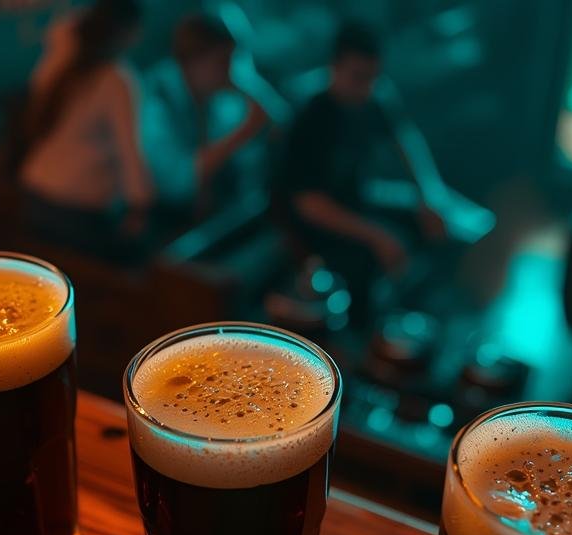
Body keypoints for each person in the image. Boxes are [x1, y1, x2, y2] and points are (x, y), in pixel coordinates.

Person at [273, 22, 450, 322]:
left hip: (357, 200)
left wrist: (429, 196)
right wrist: (377, 236)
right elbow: (308, 205)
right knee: (368, 258)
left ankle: (411, 317)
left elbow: (405, 140)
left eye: (373, 77)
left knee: (429, 224)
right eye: (358, 77)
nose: (367, 88)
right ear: (334, 66)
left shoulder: (375, 96)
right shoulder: (309, 118)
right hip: (315, 226)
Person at [18, 0, 153, 262]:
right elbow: (131, 155)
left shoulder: (58, 62)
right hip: (76, 211)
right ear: (130, 32)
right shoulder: (116, 80)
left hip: (34, 198)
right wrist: (140, 208)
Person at [140, 12, 280, 217]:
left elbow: (246, 159)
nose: (230, 71)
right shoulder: (153, 105)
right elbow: (178, 182)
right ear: (193, 61)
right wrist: (247, 130)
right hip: (161, 223)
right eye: (223, 61)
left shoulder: (218, 99)